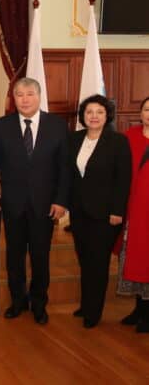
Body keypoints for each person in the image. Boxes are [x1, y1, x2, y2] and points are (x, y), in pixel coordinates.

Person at [0, 77, 70, 325]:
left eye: (29, 94)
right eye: (19, 95)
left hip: (45, 205)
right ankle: (17, 301)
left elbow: (64, 168)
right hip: (12, 203)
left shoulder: (57, 126)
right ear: (13, 99)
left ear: (39, 96)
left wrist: (61, 201)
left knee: (40, 256)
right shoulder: (1, 126)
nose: (24, 100)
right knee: (14, 256)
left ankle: (39, 303)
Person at [68, 95, 131, 328]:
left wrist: (117, 211)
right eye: (89, 112)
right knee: (85, 260)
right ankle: (86, 305)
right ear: (83, 116)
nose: (94, 116)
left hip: (105, 215)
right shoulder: (74, 139)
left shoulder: (118, 142)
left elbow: (123, 180)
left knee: (98, 263)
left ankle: (93, 312)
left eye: (99, 112)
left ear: (107, 116)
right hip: (79, 213)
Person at [118, 96, 149, 332]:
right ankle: (139, 309)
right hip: (132, 209)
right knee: (133, 259)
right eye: (147, 109)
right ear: (140, 113)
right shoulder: (129, 137)